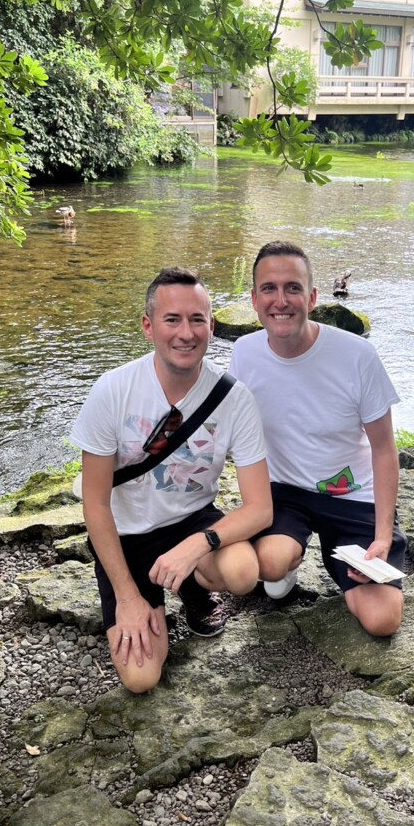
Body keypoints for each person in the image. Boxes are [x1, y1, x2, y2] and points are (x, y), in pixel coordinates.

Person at [71, 267, 272, 693]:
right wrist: (127, 598)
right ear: (148, 326)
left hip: (190, 522)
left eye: (197, 319)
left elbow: (260, 508)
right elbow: (95, 504)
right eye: (172, 319)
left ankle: (195, 592)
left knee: (241, 572)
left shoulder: (234, 398)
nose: (186, 333)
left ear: (211, 327)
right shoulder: (113, 391)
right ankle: (144, 594)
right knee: (141, 679)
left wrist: (196, 545)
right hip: (126, 534)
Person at [230, 241, 405, 637]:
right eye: (269, 289)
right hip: (286, 493)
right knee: (272, 562)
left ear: (311, 297)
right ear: (254, 299)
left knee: (383, 622)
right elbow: (238, 438)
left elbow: (384, 449)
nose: (281, 300)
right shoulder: (244, 352)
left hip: (353, 496)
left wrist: (380, 537)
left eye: (293, 288)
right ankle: (287, 570)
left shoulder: (357, 356)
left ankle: (341, 561)